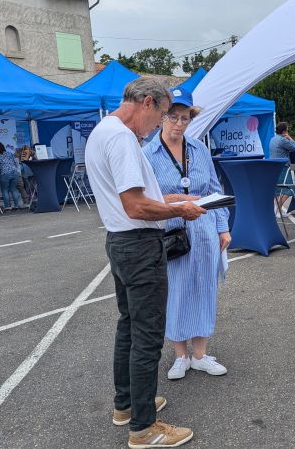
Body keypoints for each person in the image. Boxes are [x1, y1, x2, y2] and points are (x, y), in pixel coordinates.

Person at [84, 77, 206, 448]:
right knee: (148, 335)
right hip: (138, 245)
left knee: (129, 326)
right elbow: (136, 206)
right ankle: (144, 427)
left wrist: (169, 198)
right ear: (147, 102)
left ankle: (127, 405)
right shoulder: (122, 138)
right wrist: (179, 210)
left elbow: (137, 195)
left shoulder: (104, 130)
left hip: (121, 242)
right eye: (161, 116)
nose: (159, 125)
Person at [142, 87, 232, 381]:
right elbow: (145, 198)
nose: (178, 123)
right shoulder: (148, 154)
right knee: (176, 292)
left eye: (184, 118)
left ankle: (201, 355)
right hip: (171, 232)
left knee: (205, 288)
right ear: (161, 117)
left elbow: (214, 190)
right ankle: (180, 355)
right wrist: (178, 202)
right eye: (173, 116)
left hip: (204, 230)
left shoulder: (199, 149)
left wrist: (223, 227)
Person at [269, 121, 295, 212]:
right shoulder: (283, 140)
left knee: (277, 189)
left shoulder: (273, 139)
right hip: (283, 167)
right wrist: (290, 138)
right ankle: (277, 209)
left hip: (274, 166)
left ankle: (275, 210)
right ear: (284, 131)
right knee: (289, 189)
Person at [0, 141, 23, 210]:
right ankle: (16, 206)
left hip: (5, 174)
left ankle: (7, 207)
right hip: (14, 173)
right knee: (14, 189)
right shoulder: (9, 153)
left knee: (5, 191)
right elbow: (15, 163)